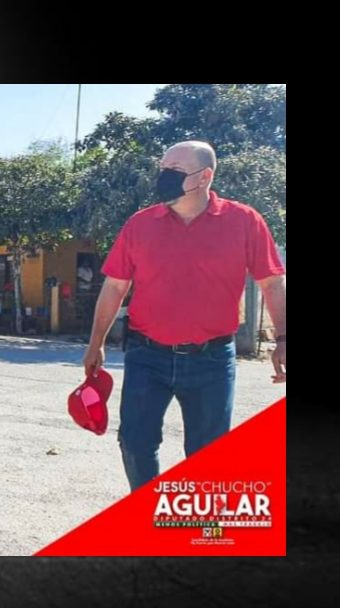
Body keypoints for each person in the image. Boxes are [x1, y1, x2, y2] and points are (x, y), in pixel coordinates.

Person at [82, 141, 287, 492]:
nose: (164, 176)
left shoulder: (244, 221)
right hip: (147, 355)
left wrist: (283, 339)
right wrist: (95, 343)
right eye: (162, 168)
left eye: (174, 170)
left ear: (204, 176)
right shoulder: (140, 224)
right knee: (134, 443)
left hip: (212, 360)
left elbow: (272, 282)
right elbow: (115, 287)